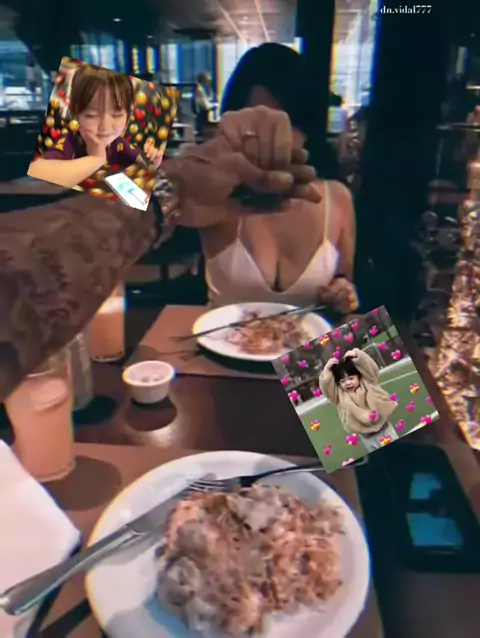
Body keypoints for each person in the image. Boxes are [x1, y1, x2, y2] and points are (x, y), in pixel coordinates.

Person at [0, 104, 319, 403]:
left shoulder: (337, 197)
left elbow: (345, 422)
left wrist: (170, 187)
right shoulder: (225, 201)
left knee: (335, 428)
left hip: (318, 373)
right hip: (228, 378)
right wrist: (170, 187)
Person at [179, 43, 358, 312]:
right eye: (257, 123)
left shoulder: (338, 198)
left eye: (286, 121)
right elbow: (121, 199)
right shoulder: (218, 192)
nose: (274, 137)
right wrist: (174, 182)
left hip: (310, 339)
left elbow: (343, 284)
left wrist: (343, 294)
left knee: (380, 337)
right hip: (220, 337)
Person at [27, 64, 164, 189]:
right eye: (91, 116)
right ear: (75, 114)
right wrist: (95, 159)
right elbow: (39, 170)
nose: (105, 127)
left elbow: (138, 159)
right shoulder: (70, 143)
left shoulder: (119, 144)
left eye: (117, 115)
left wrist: (152, 161)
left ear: (128, 116)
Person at [319, 348, 399, 453]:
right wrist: (326, 370)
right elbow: (327, 387)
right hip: (368, 439)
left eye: (351, 378)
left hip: (385, 430)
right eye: (342, 381)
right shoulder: (339, 396)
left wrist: (357, 355)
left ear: (359, 375)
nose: (348, 383)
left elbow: (370, 368)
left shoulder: (369, 382)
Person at [192, 72, 213, 137]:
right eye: (208, 80)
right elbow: (204, 103)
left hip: (201, 112)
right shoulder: (200, 89)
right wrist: (211, 106)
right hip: (201, 113)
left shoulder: (202, 88)